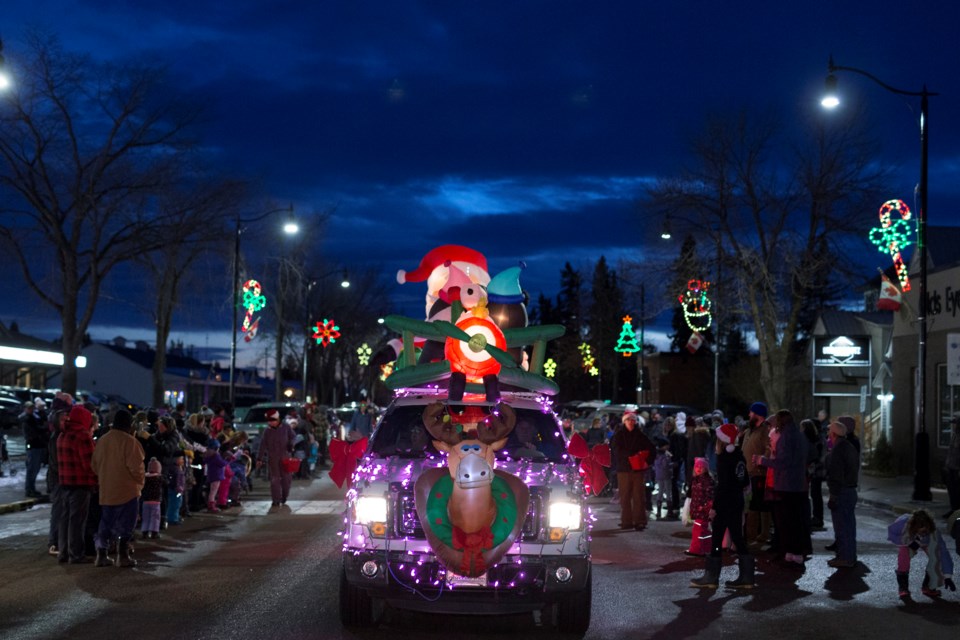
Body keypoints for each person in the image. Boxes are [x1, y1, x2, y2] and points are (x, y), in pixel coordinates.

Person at [691, 423, 753, 589]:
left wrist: (714, 507)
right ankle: (747, 577)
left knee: (717, 538)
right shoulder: (739, 456)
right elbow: (745, 480)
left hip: (725, 503)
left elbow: (723, 486)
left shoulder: (724, 458)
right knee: (737, 538)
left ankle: (711, 577)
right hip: (736, 501)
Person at [91, 409, 145, 568]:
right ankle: (123, 556)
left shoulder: (102, 440)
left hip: (107, 490)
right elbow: (137, 469)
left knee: (106, 523)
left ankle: (101, 554)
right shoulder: (130, 442)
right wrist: (140, 483)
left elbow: (94, 465)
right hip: (127, 490)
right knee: (126, 525)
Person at [755, 409, 810, 565]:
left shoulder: (785, 438)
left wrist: (762, 461)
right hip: (798, 485)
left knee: (785, 521)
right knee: (794, 520)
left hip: (785, 485)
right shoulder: (800, 436)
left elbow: (782, 462)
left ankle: (789, 553)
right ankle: (794, 552)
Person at [56, 405, 97, 564]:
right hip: (81, 484)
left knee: (65, 519)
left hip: (65, 483)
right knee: (77, 521)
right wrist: (97, 479)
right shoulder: (82, 436)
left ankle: (64, 552)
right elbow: (90, 464)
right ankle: (76, 554)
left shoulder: (62, 435)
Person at [888, 509, 956, 599]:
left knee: (936, 559)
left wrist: (947, 576)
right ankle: (903, 588)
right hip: (907, 539)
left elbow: (943, 552)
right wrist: (908, 542)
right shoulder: (901, 525)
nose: (923, 531)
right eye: (920, 529)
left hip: (925, 541)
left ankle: (928, 586)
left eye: (925, 530)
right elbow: (892, 535)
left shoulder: (933, 532)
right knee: (903, 559)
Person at [823, 421, 859, 568]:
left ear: (833, 434)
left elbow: (836, 475)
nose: (828, 436)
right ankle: (849, 555)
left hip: (842, 491)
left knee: (842, 527)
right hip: (849, 490)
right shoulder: (849, 447)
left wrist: (833, 495)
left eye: (829, 433)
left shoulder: (838, 449)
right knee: (849, 526)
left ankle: (844, 557)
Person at [612, 412, 655, 531]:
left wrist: (647, 461)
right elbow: (616, 451)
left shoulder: (640, 435)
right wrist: (629, 456)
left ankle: (640, 521)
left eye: (632, 420)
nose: (631, 422)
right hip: (624, 469)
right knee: (625, 496)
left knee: (639, 496)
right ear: (624, 421)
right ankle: (626, 521)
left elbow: (651, 449)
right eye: (628, 420)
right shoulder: (619, 435)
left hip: (637, 470)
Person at [740, 403, 771, 545]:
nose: (748, 415)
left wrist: (761, 461)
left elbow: (768, 449)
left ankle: (761, 534)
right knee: (750, 504)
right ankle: (751, 533)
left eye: (751, 413)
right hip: (747, 472)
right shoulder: (748, 431)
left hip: (758, 473)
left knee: (758, 505)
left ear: (758, 415)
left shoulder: (765, 431)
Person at [256, 408, 296, 507]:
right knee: (275, 480)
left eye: (272, 421)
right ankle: (276, 500)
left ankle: (284, 497)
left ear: (277, 419)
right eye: (269, 421)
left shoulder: (286, 427)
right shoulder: (267, 431)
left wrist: (291, 445)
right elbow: (262, 445)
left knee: (286, 479)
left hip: (285, 457)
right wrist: (259, 458)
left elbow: (293, 437)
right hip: (273, 458)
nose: (270, 423)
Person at [685, 457, 714, 557]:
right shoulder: (695, 480)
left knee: (698, 530)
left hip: (702, 510)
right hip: (698, 510)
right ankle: (706, 548)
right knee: (704, 531)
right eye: (697, 466)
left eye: (701, 467)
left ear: (706, 469)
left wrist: (705, 507)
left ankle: (696, 549)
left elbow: (710, 496)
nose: (699, 468)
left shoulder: (707, 481)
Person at [21, 401, 48, 499]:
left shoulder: (34, 417)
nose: (31, 410)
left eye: (32, 408)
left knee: (34, 469)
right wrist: (43, 429)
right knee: (32, 468)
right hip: (33, 446)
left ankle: (31, 488)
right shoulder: (27, 419)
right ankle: (29, 489)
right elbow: (34, 432)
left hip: (37, 446)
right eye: (29, 408)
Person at [140, 458, 164, 539]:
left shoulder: (145, 477)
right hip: (156, 501)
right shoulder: (159, 478)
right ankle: (154, 532)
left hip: (146, 501)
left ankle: (144, 531)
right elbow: (166, 483)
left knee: (146, 517)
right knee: (155, 517)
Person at [203, 439, 228, 512]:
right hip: (217, 476)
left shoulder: (208, 457)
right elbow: (222, 464)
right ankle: (211, 506)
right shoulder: (216, 456)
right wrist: (227, 460)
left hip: (211, 476)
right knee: (213, 492)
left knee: (211, 491)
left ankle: (211, 504)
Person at [943, 415, 960, 518]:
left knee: (957, 491)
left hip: (957, 468)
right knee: (952, 490)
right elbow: (951, 452)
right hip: (951, 467)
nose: (953, 425)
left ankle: (957, 511)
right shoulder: (954, 436)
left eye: (954, 423)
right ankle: (953, 509)